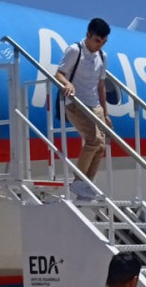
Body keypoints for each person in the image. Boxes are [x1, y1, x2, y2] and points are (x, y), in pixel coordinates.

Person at [55, 17, 112, 200]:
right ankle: (79, 182)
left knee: (101, 145)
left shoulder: (102, 56)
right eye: (97, 41)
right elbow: (58, 74)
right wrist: (67, 84)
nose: (99, 46)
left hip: (94, 105)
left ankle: (86, 184)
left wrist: (106, 113)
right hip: (76, 104)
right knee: (93, 140)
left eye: (103, 42)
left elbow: (101, 86)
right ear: (88, 35)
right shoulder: (75, 50)